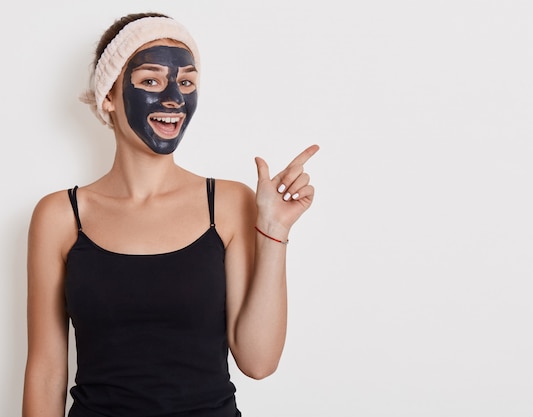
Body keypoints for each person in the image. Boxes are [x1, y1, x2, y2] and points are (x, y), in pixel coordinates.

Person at [22, 12, 318, 417]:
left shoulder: (228, 203)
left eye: (186, 83)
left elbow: (258, 362)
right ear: (108, 95)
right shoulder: (60, 216)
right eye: (150, 81)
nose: (174, 99)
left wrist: (273, 230)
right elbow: (45, 372)